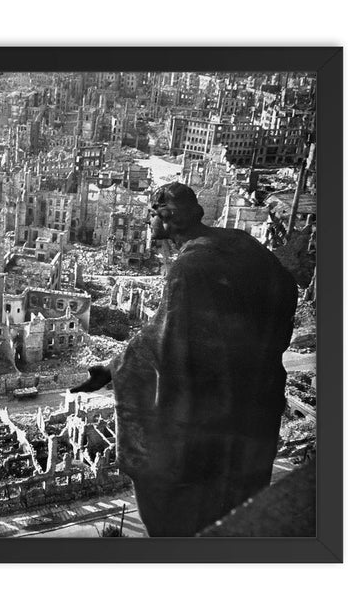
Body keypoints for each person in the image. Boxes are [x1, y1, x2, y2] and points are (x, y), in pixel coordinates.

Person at [71, 182, 298, 536]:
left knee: (183, 508)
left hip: (212, 418)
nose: (147, 221)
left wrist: (113, 369)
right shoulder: (241, 242)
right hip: (255, 404)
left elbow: (166, 342)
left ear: (168, 217)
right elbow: (285, 288)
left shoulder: (189, 269)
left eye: (150, 213)